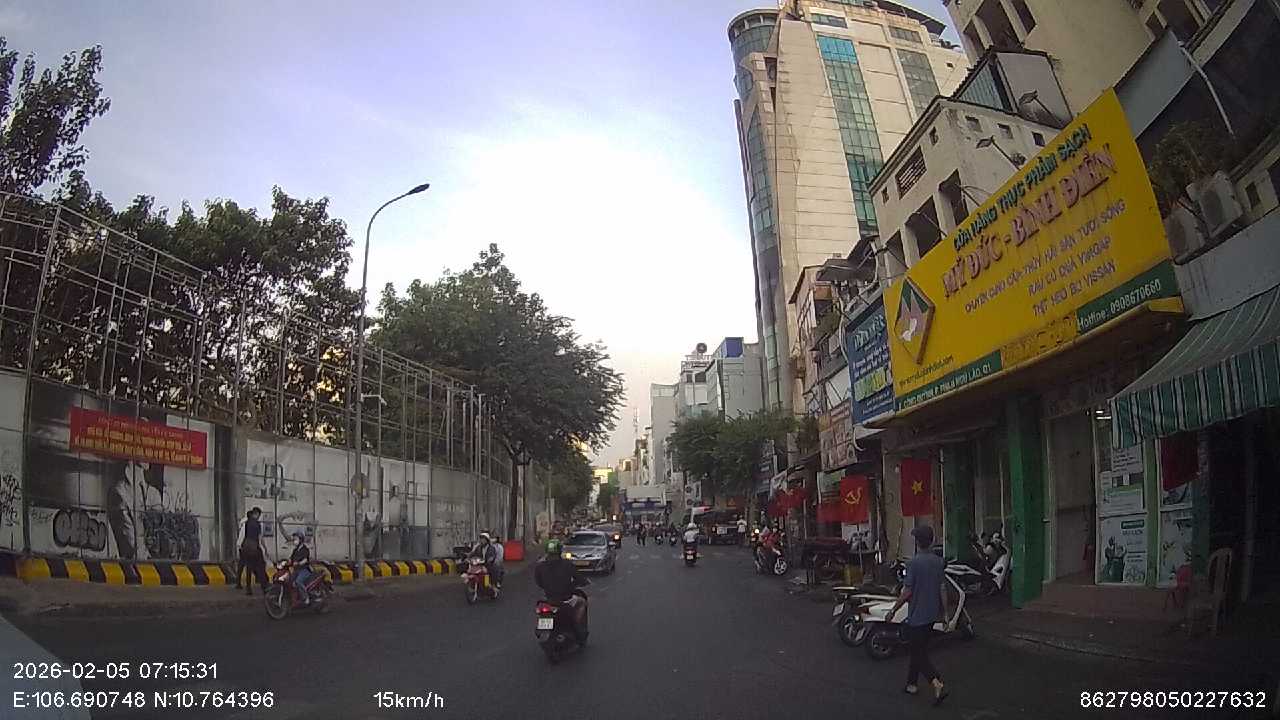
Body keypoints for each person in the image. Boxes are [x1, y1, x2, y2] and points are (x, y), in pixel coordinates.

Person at [888, 525, 950, 706]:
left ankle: (936, 682)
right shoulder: (938, 562)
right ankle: (912, 684)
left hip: (917, 616)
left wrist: (893, 609)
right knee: (919, 650)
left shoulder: (913, 563)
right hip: (932, 615)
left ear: (917, 542)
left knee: (918, 652)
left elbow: (907, 591)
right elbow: (943, 588)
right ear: (931, 541)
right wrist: (946, 613)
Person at [534, 538, 589, 634]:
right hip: (565, 599)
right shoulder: (567, 564)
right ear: (560, 551)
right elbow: (579, 578)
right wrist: (580, 583)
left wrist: (547, 587)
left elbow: (538, 582)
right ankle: (579, 628)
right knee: (582, 602)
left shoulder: (540, 566)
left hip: (549, 598)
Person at [237, 507, 269, 596]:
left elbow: (243, 536)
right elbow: (260, 538)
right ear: (257, 514)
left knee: (248, 568)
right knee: (260, 567)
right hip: (255, 548)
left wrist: (240, 545)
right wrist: (265, 548)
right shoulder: (257, 524)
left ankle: (248, 588)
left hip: (246, 548)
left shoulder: (246, 523)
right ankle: (264, 587)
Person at [288, 530, 315, 605]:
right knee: (289, 581)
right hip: (296, 570)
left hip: (304, 570)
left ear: (300, 540)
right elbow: (291, 558)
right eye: (294, 539)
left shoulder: (305, 549)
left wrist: (299, 563)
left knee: (298, 581)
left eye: (296, 539)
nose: (294, 541)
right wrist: (287, 562)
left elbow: (305, 560)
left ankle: (306, 597)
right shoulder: (295, 550)